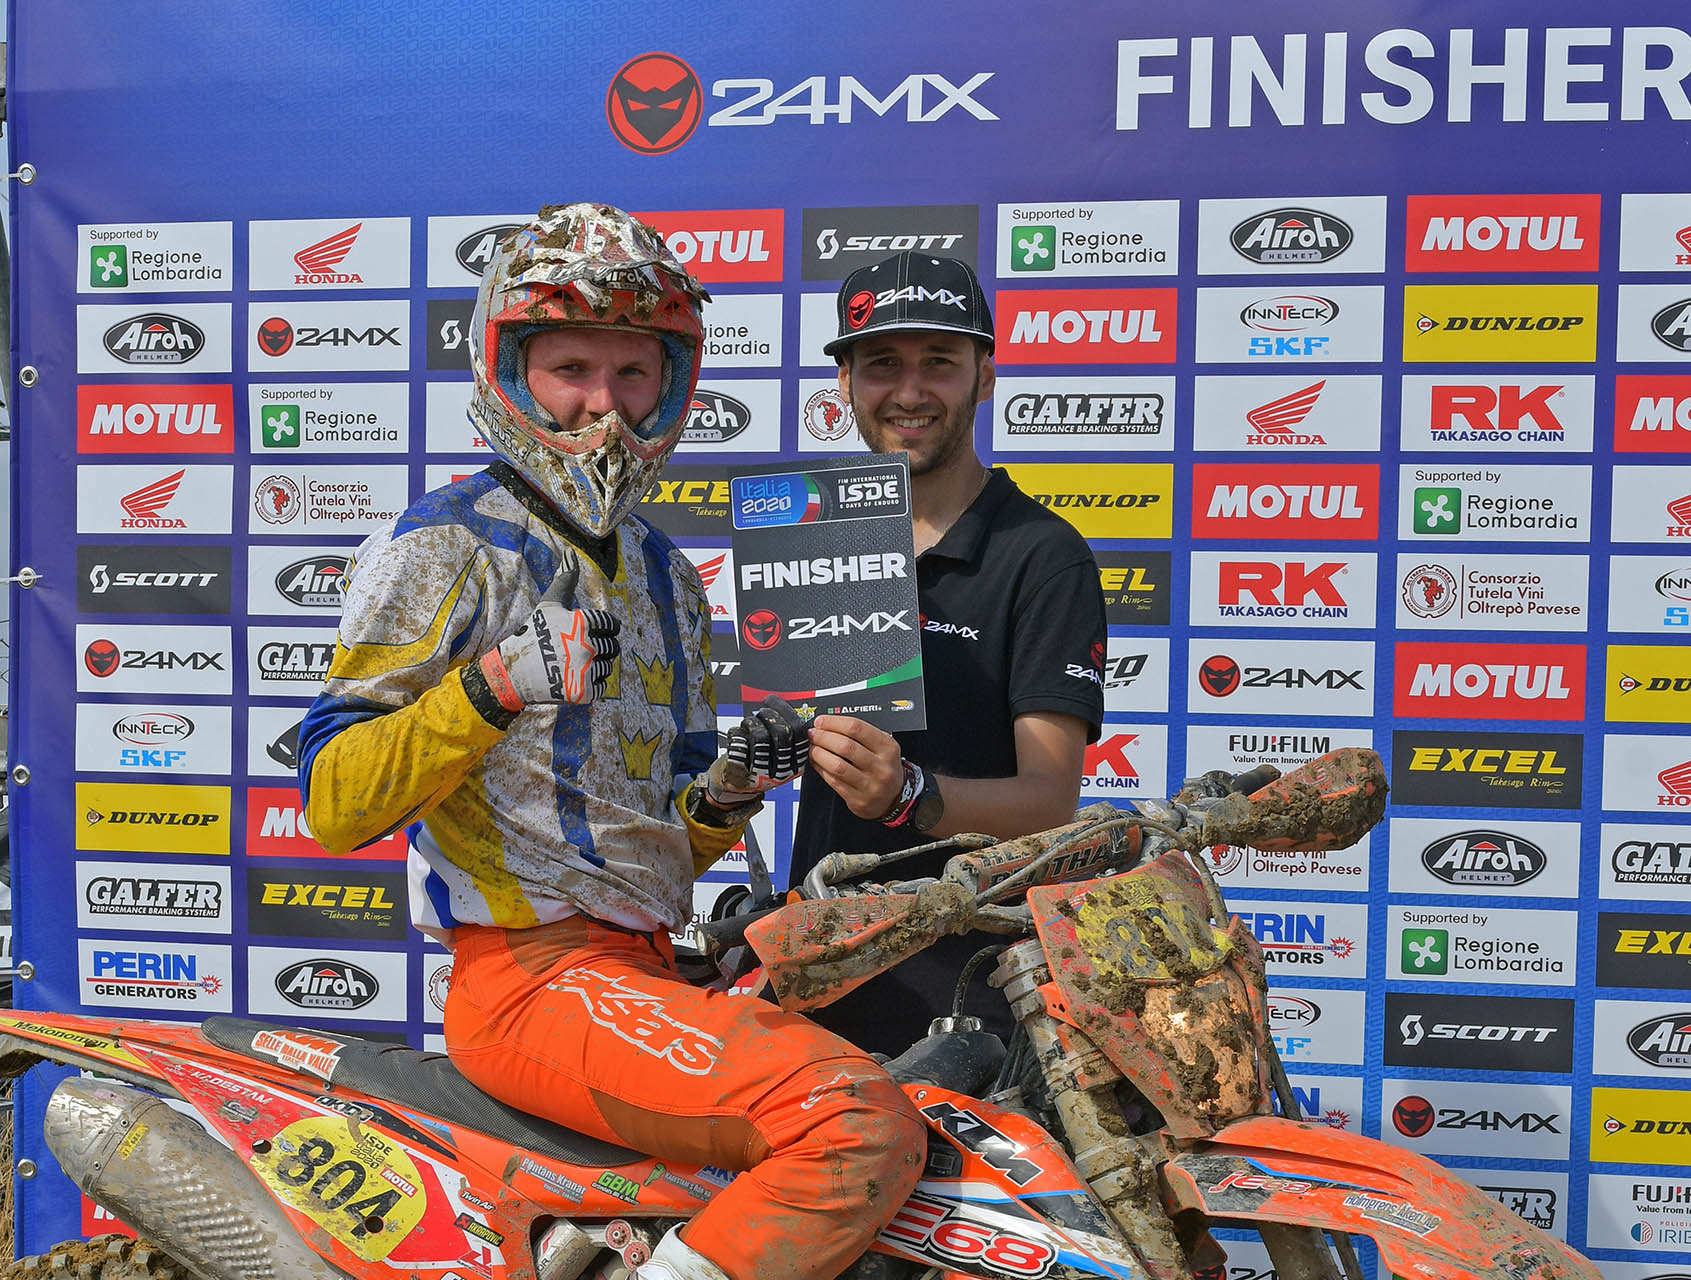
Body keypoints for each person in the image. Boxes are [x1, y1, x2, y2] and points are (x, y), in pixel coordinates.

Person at [297, 204, 923, 1280]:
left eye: (634, 372)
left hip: (644, 964)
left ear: (673, 383)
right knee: (851, 1120)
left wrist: (726, 792)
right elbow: (334, 802)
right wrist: (492, 688)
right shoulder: (445, 542)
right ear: (508, 369)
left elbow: (658, 845)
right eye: (571, 368)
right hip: (525, 979)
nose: (604, 405)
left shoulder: (668, 573)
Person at [792, 250, 1108, 1056]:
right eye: (882, 365)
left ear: (985, 376)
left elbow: (1050, 801)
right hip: (819, 972)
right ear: (845, 383)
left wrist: (910, 793)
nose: (910, 392)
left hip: (968, 996)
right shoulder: (824, 534)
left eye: (939, 361)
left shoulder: (1041, 554)